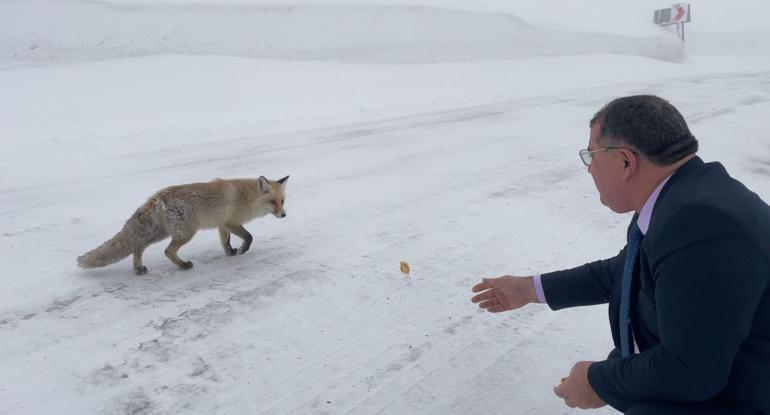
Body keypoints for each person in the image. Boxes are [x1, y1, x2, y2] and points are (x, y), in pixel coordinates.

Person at [471, 95, 770, 415]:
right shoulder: (685, 198)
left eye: (591, 155)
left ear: (625, 161)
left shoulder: (704, 223)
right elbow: (628, 270)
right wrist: (530, 289)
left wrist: (598, 381)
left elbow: (690, 371)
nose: (589, 170)